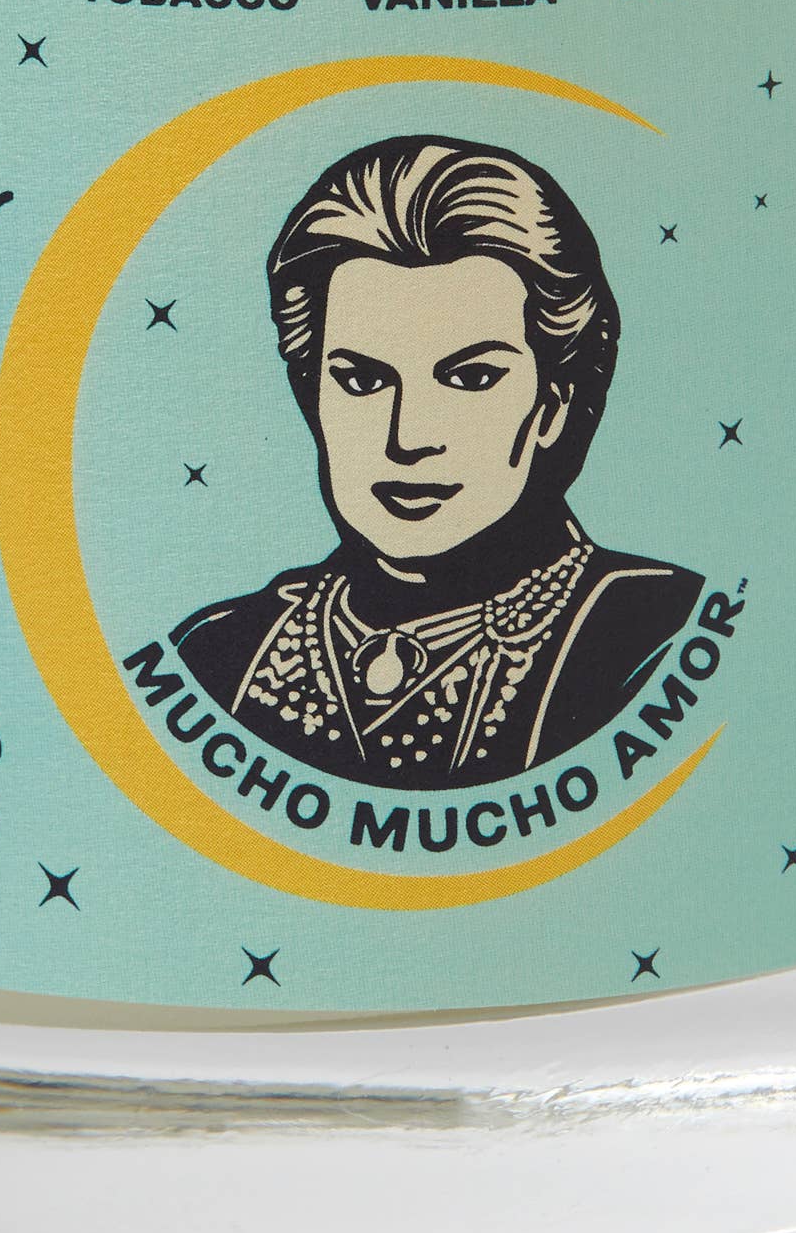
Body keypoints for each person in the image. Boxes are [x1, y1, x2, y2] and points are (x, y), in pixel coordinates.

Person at [173, 135, 702, 788]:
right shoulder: (220, 649)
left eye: (470, 378)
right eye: (363, 381)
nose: (409, 437)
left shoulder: (656, 633)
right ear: (314, 398)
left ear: (552, 405)